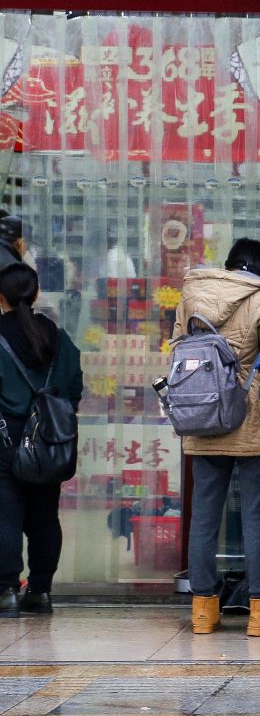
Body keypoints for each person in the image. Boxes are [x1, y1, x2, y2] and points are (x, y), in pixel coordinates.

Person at [173, 238, 260, 637]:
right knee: (257, 515)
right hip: (253, 416)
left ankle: (203, 612)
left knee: (204, 515)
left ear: (229, 264)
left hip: (202, 413)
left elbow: (177, 350)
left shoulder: (192, 293)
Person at [0, 264, 82, 618]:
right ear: (35, 294)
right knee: (45, 516)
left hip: (7, 438)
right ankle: (41, 591)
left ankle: (5, 591)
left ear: (0, 298)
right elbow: (74, 385)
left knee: (6, 515)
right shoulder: (56, 336)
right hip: (49, 439)